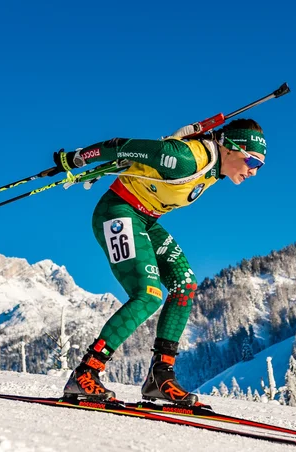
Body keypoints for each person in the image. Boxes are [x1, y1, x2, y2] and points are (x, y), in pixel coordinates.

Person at [54, 118, 266, 405]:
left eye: (259, 166)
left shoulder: (213, 168)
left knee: (185, 285)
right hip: (117, 211)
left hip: (146, 220)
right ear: (230, 147)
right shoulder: (183, 160)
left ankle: (160, 376)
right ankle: (85, 372)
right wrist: (75, 159)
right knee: (148, 295)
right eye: (253, 161)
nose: (254, 171)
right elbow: (122, 146)